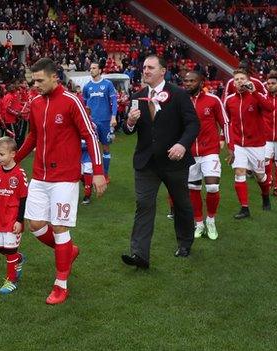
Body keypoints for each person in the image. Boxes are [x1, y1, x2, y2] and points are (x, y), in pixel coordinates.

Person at [14, 58, 107, 305]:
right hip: (40, 176)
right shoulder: (34, 102)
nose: (35, 85)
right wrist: (15, 159)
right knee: (35, 225)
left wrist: (98, 171)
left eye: (40, 80)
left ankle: (60, 284)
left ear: (55, 77)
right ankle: (67, 251)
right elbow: (33, 136)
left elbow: (90, 135)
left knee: (59, 228)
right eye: (33, 80)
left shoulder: (72, 101)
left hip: (65, 178)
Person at [121, 55, 200, 269]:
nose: (145, 71)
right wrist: (129, 121)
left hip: (174, 162)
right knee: (144, 204)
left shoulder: (178, 94)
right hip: (146, 162)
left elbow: (193, 124)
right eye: (144, 67)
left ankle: (185, 243)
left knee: (182, 203)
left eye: (150, 67)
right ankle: (140, 255)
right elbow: (128, 130)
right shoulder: (137, 96)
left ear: (162, 71)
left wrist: (182, 145)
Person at [183, 71, 231, 240]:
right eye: (186, 81)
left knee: (212, 187)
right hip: (188, 153)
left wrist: (229, 144)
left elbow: (224, 122)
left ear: (201, 82)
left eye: (192, 81)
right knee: (193, 188)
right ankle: (199, 223)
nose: (188, 83)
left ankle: (210, 220)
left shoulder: (213, 100)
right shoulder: (181, 101)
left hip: (210, 150)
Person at [224, 69, 273, 219]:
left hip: (256, 144)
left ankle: (265, 196)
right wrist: (230, 145)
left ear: (248, 81)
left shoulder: (256, 96)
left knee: (260, 175)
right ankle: (244, 208)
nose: (238, 81)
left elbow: (269, 108)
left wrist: (255, 93)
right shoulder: (229, 100)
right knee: (239, 172)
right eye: (236, 79)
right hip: (239, 144)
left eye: (241, 79)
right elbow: (227, 123)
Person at [0, 137, 28, 294]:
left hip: (12, 217)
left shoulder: (20, 173)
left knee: (10, 250)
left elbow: (24, 198)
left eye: (1, 154)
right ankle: (18, 258)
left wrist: (20, 220)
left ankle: (11, 280)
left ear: (13, 154)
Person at [82, 61, 118, 188]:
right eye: (90, 68)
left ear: (100, 70)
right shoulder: (87, 87)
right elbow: (84, 105)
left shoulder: (107, 85)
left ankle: (105, 174)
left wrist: (113, 116)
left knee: (106, 148)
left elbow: (114, 101)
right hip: (91, 123)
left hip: (105, 121)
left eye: (94, 68)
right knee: (92, 148)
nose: (91, 70)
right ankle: (91, 174)